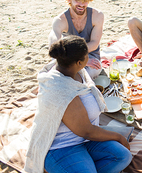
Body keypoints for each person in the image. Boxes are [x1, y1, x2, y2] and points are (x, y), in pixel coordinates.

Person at [25, 35, 132, 173]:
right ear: (78, 62)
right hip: (62, 147)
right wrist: (118, 137)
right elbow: (86, 131)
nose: (89, 56)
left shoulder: (76, 70)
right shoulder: (61, 89)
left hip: (85, 140)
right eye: (87, 55)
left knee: (123, 156)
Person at [48, 0, 103, 80]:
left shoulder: (97, 15)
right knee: (56, 65)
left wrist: (84, 60)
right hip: (69, 55)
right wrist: (75, 60)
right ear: (69, 0)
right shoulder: (60, 20)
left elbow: (94, 43)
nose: (81, 4)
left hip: (89, 54)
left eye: (85, 1)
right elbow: (54, 44)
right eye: (77, 0)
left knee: (94, 69)